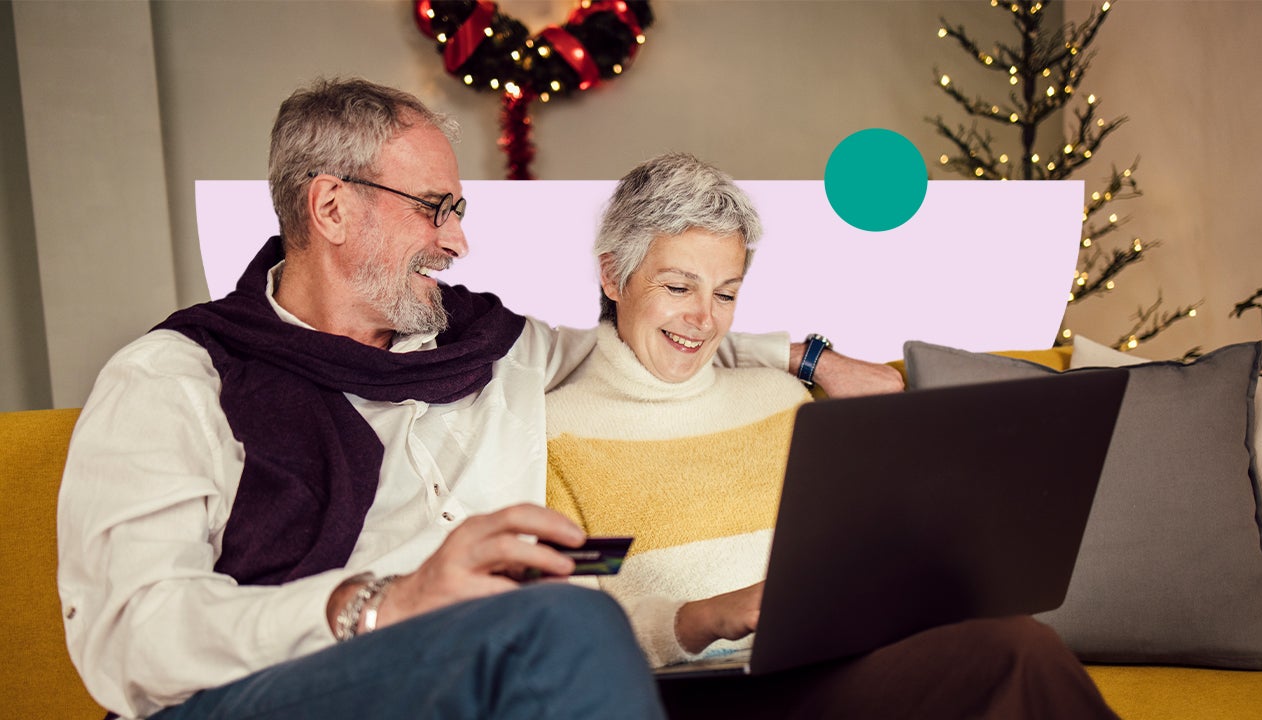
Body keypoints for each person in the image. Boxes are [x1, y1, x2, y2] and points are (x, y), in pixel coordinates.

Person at [56, 78, 867, 720]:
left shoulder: (492, 346)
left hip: (485, 678)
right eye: (433, 210)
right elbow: (129, 637)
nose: (457, 241)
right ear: (332, 207)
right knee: (565, 623)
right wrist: (386, 603)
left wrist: (810, 357)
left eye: (458, 211)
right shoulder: (175, 377)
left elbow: (651, 334)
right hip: (269, 690)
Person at [545, 152, 1120, 719]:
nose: (704, 318)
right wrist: (712, 615)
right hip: (691, 692)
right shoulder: (557, 435)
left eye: (725, 292)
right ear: (612, 276)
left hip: (829, 667)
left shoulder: (780, 401)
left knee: (1017, 647)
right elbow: (575, 632)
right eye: (677, 287)